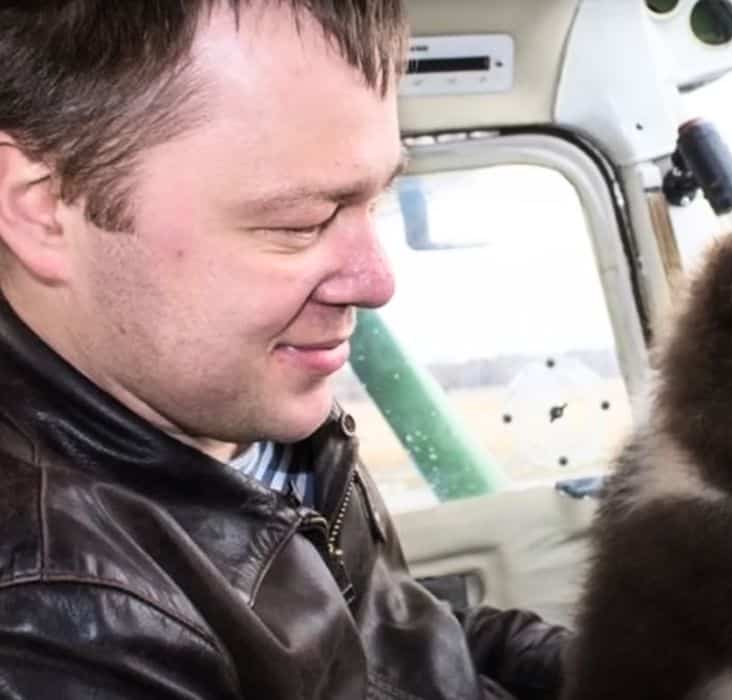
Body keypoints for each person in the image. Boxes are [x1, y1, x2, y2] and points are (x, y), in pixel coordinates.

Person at [0, 2, 569, 698]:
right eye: (301, 222)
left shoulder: (236, 405)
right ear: (41, 208)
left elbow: (404, 643)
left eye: (377, 201)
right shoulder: (48, 624)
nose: (377, 281)